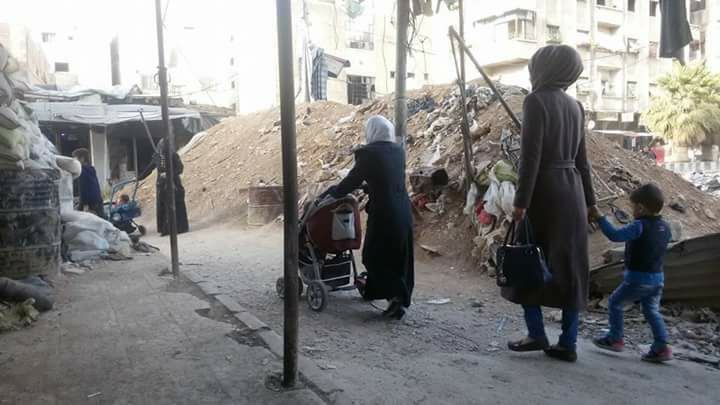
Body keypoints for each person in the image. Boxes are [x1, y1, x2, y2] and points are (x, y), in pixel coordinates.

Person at [504, 45, 598, 362]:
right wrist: (591, 202)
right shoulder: (576, 106)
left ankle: (536, 333)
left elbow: (530, 158)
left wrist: (521, 202)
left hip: (544, 195)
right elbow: (583, 162)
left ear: (541, 68)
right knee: (571, 269)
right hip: (573, 194)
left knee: (527, 262)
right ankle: (568, 343)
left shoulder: (536, 101)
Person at [326, 115, 414, 320]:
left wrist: (333, 193)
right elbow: (388, 177)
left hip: (384, 214)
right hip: (403, 211)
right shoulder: (398, 151)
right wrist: (370, 186)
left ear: (371, 132)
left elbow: (351, 181)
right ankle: (388, 294)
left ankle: (393, 297)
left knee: (373, 255)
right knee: (399, 257)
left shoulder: (368, 153)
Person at [591, 183, 673, 363]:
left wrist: (600, 218)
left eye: (632, 206)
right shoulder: (666, 227)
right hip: (657, 279)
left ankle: (615, 338)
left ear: (641, 208)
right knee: (651, 311)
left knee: (615, 302)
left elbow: (615, 235)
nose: (632, 210)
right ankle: (662, 347)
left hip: (638, 279)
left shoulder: (639, 226)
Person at [141, 138, 189, 236]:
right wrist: (139, 177)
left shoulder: (173, 155)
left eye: (164, 146)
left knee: (174, 206)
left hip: (173, 184)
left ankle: (178, 228)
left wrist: (169, 174)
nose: (163, 148)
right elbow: (150, 168)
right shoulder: (157, 157)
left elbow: (180, 168)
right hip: (161, 186)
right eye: (161, 146)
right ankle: (165, 228)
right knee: (163, 207)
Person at [72, 148, 105, 218]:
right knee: (101, 221)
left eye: (75, 159)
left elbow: (83, 189)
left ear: (82, 159)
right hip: (98, 201)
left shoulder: (81, 171)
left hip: (90, 204)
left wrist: (84, 204)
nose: (74, 162)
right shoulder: (91, 169)